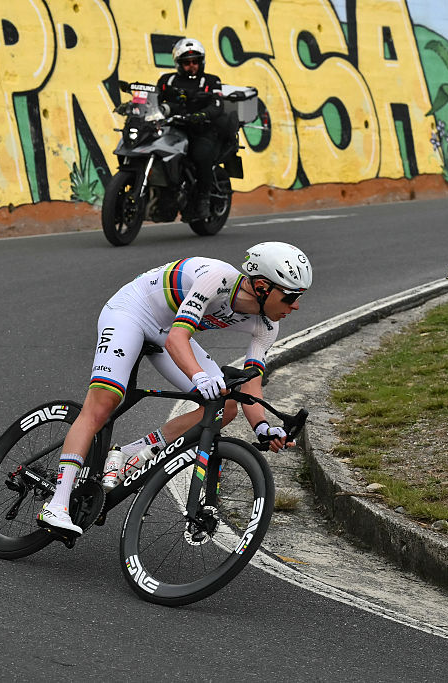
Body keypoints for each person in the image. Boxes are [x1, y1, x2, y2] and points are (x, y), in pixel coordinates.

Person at [37, 242, 312, 536]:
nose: (295, 306)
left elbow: (251, 382)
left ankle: (131, 454)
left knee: (225, 406)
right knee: (103, 404)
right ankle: (58, 502)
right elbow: (177, 340)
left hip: (166, 329)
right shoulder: (216, 278)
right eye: (290, 297)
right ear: (261, 286)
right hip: (132, 312)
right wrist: (199, 377)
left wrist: (263, 427)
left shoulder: (267, 327)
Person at [156, 38, 227, 221]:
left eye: (195, 61)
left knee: (201, 155)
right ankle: (166, 195)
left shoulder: (211, 81)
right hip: (174, 127)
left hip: (201, 129)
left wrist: (201, 115)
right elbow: (154, 99)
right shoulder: (167, 80)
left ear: (201, 62)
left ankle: (203, 199)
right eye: (186, 63)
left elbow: (217, 105)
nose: (191, 66)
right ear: (178, 63)